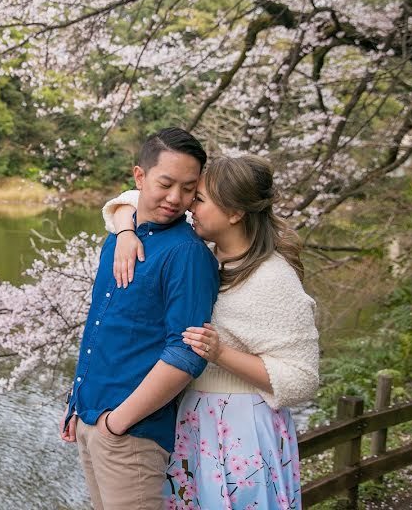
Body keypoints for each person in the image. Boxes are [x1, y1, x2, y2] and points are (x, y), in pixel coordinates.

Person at [101, 154, 319, 509]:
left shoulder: (273, 277)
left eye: (198, 198)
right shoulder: (205, 255)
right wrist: (126, 230)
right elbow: (130, 197)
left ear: (235, 213)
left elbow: (303, 378)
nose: (187, 206)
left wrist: (221, 354)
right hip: (192, 421)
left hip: (240, 431)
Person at [61, 128, 220, 510]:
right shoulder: (118, 239)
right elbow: (100, 325)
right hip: (91, 418)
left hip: (131, 434)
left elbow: (187, 352)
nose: (175, 198)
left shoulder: (187, 254)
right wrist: (76, 402)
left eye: (188, 189)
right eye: (165, 183)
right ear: (139, 177)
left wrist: (117, 423)